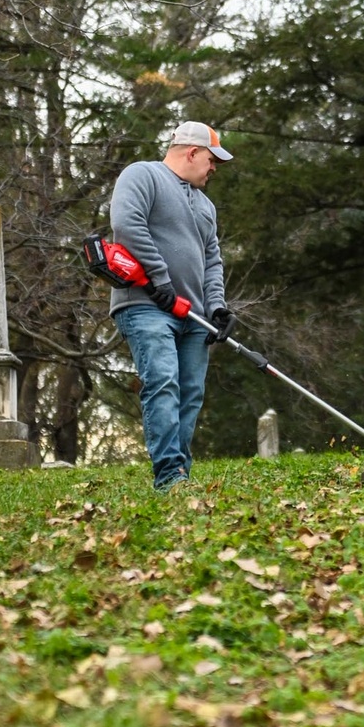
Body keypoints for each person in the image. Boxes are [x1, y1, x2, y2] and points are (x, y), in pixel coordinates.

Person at [109, 120, 235, 491]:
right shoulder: (143, 175)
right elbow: (127, 224)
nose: (214, 169)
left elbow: (212, 260)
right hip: (146, 304)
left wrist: (217, 308)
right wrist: (160, 281)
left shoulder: (206, 206)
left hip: (195, 315)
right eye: (212, 160)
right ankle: (168, 475)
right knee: (162, 381)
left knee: (190, 392)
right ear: (193, 152)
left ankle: (180, 474)